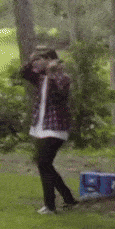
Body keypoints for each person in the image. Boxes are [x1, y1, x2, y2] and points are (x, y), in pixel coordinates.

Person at [20, 48, 79, 215]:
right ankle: (68, 198)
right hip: (42, 126)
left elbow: (61, 94)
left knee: (43, 163)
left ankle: (50, 206)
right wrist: (31, 60)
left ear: (50, 60)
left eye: (41, 59)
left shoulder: (62, 77)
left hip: (56, 127)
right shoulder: (40, 78)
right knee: (45, 164)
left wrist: (53, 72)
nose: (38, 63)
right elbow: (23, 73)